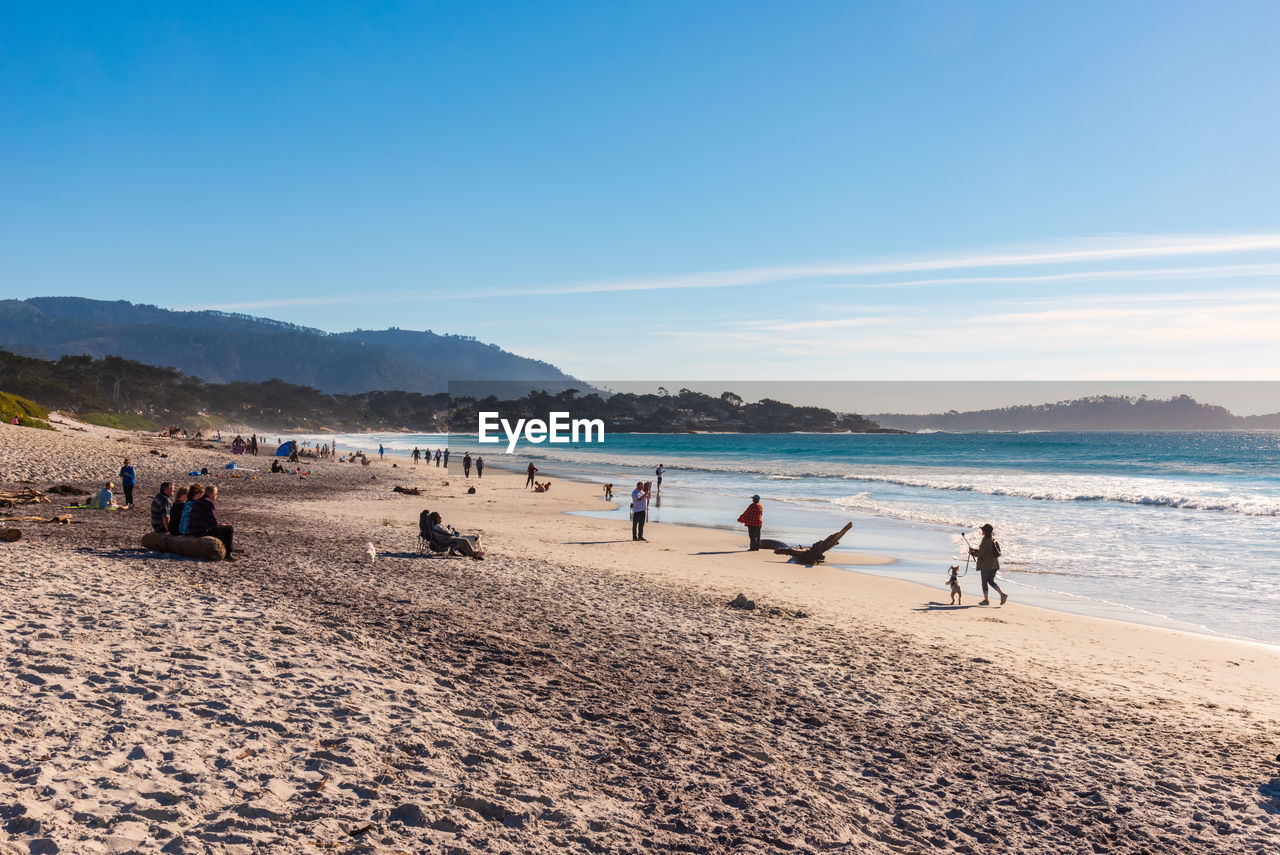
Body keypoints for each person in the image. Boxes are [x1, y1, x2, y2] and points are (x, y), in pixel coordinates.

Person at [188, 484, 235, 561]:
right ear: (212, 494)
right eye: (216, 494)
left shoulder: (198, 501)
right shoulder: (208, 502)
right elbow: (212, 520)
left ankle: (223, 549)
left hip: (193, 529)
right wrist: (221, 524)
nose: (216, 496)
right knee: (229, 529)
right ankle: (228, 554)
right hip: (201, 530)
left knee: (221, 529)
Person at [969, 523, 1007, 606]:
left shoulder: (985, 540)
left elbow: (981, 553)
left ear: (985, 531)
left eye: (982, 530)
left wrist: (972, 553)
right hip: (995, 565)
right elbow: (986, 551)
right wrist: (974, 550)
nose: (981, 531)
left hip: (987, 565)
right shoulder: (993, 540)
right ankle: (1002, 595)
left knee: (984, 582)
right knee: (990, 581)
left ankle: (986, 600)